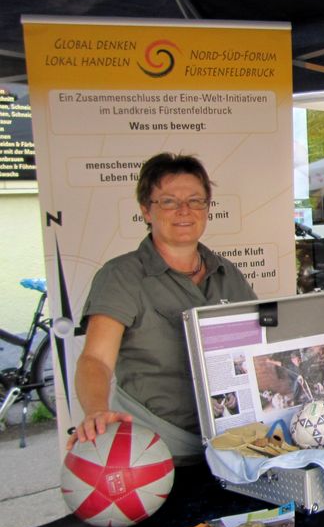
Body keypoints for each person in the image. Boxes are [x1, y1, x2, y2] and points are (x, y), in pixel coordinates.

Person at [69, 152, 256, 463]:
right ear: (146, 210)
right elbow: (95, 359)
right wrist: (96, 410)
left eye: (196, 201)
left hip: (232, 446)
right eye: (169, 201)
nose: (184, 210)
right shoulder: (122, 277)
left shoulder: (228, 273)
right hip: (156, 449)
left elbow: (260, 344)